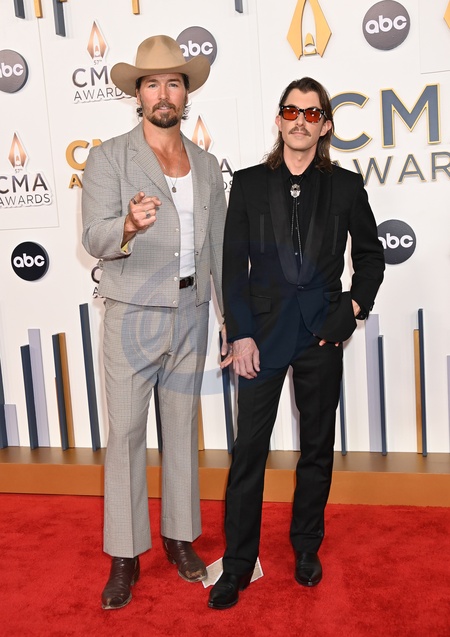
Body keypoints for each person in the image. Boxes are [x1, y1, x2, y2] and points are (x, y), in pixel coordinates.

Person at [208, 77, 385, 610]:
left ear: (325, 125)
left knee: (316, 449)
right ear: (279, 120)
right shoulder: (247, 184)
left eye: (311, 113)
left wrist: (352, 310)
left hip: (321, 336)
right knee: (248, 453)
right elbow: (231, 267)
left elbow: (370, 257)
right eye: (291, 111)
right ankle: (238, 564)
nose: (300, 121)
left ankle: (307, 546)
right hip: (260, 338)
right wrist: (240, 333)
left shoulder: (347, 186)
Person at [81, 35, 227, 610]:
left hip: (191, 313)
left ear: (185, 93)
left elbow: (217, 251)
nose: (163, 93)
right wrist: (127, 225)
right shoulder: (108, 158)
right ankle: (125, 554)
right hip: (131, 314)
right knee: (125, 435)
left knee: (182, 429)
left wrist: (229, 319)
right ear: (137, 94)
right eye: (151, 84)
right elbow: (93, 238)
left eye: (173, 83)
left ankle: (179, 537)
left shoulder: (207, 165)